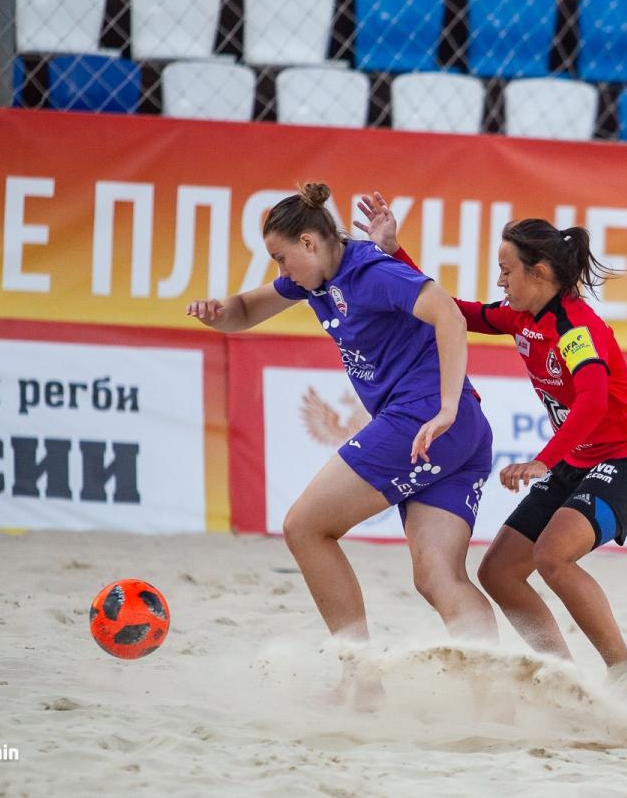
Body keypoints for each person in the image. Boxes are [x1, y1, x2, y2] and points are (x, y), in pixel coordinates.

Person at [186, 183, 497, 701]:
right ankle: (499, 694)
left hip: (425, 420)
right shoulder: (315, 281)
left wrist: (444, 406)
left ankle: (361, 681)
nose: (281, 270)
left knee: (305, 527)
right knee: (439, 577)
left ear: (309, 242)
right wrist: (218, 314)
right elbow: (244, 310)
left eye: (281, 258)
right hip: (461, 431)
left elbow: (449, 313)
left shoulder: (370, 273)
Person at [357, 194, 627, 670]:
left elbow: (593, 401)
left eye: (506, 270)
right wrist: (395, 252)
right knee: (499, 572)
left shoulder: (575, 328)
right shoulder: (520, 316)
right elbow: (450, 311)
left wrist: (543, 461)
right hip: (576, 463)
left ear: (538, 273)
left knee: (553, 558)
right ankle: (563, 675)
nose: (500, 280)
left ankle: (624, 672)